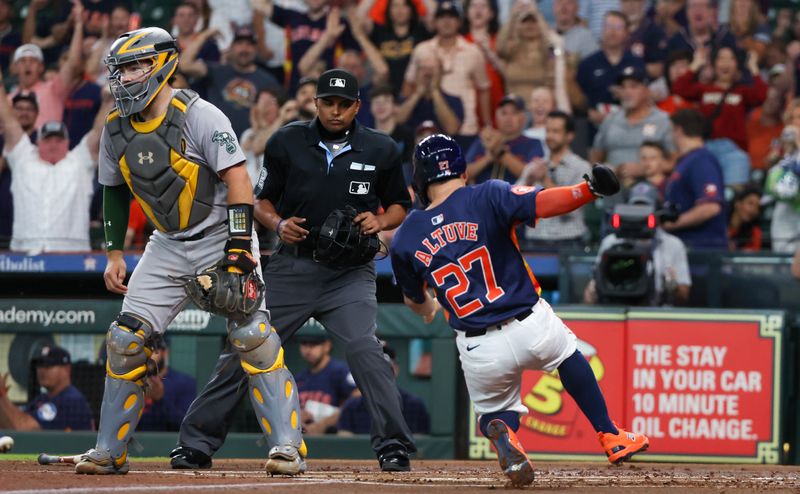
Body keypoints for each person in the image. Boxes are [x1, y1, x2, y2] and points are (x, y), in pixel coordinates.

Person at [75, 27, 304, 476]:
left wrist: (240, 246)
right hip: (165, 243)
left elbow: (238, 180)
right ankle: (108, 451)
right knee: (124, 340)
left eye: (133, 66)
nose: (123, 78)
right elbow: (113, 190)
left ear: (162, 65)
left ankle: (287, 448)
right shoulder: (115, 128)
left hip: (220, 231)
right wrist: (114, 252)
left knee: (252, 337)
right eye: (119, 69)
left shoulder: (202, 115)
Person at [173, 68, 417, 472]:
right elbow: (261, 201)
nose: (335, 111)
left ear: (357, 106)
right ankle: (196, 442)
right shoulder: (287, 140)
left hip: (350, 274)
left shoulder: (381, 148)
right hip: (293, 265)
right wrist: (278, 224)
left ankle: (393, 445)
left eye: (344, 104)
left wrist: (382, 221)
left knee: (365, 349)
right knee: (245, 344)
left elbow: (399, 204)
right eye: (328, 102)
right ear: (315, 103)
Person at [390, 134, 649, 486]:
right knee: (568, 355)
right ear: (462, 171)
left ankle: (506, 435)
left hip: (478, 344)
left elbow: (414, 301)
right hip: (528, 321)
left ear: (419, 180)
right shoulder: (487, 194)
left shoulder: (406, 236)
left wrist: (429, 308)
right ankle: (610, 435)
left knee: (493, 413)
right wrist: (587, 191)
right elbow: (542, 203)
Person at [0, 69, 110, 254]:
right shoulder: (23, 158)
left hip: (73, 257)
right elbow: (9, 121)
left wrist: (109, 101)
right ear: (38, 141)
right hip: (25, 257)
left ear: (67, 143)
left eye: (59, 140)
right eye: (48, 139)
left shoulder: (79, 161)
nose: (53, 144)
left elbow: (99, 130)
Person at [583, 182, 692, 305]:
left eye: (645, 208)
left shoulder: (672, 244)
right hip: (616, 306)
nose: (640, 214)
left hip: (655, 309)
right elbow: (591, 296)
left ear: (657, 211)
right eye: (636, 208)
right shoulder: (611, 242)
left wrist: (672, 286)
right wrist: (592, 292)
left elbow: (684, 296)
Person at [519, 110, 591, 250]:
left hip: (569, 242)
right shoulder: (534, 167)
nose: (550, 136)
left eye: (556, 131)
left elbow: (572, 209)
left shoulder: (581, 168)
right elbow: (513, 205)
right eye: (548, 131)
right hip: (534, 241)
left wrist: (545, 181)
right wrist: (529, 181)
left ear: (569, 136)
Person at [590, 65, 674, 184]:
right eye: (623, 87)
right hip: (614, 186)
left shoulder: (663, 120)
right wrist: (608, 172)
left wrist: (645, 169)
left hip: (650, 185)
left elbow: (675, 161)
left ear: (647, 90)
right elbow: (595, 157)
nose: (627, 92)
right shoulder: (610, 119)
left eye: (633, 86)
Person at [662, 108, 727, 250]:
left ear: (678, 130)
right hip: (687, 248)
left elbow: (710, 207)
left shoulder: (701, 160)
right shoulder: (687, 160)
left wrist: (670, 224)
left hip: (701, 250)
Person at [338, 343, 430, 435]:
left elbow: (419, 446)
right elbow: (344, 445)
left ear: (395, 370)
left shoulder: (414, 406)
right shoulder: (351, 407)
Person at [0, 345, 94, 431]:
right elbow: (10, 423)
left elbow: (23, 428)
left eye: (49, 365)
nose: (42, 370)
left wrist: (1, 395)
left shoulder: (71, 400)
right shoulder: (43, 398)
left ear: (66, 369)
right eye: (40, 365)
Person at [465, 94, 545, 184]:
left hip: (515, 196)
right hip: (482, 195)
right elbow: (463, 175)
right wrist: (488, 158)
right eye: (504, 113)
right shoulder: (483, 140)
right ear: (496, 117)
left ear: (523, 118)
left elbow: (531, 175)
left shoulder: (533, 143)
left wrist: (500, 152)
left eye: (514, 113)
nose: (508, 118)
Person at [295, 327, 357, 435]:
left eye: (314, 344)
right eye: (304, 344)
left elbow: (359, 396)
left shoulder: (340, 371)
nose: (308, 350)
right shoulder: (299, 378)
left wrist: (323, 424)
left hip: (335, 437)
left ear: (327, 346)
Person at [137, 339, 198, 432]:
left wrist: (160, 399)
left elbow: (189, 427)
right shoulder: (129, 382)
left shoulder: (183, 383)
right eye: (143, 351)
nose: (147, 356)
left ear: (165, 352)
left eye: (152, 350)